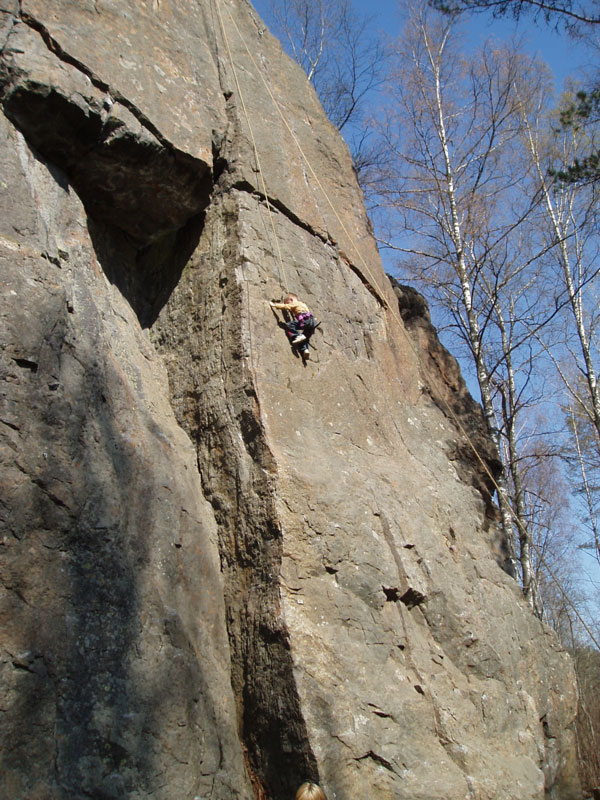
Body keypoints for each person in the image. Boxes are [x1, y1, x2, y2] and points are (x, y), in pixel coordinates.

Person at [269, 293, 316, 358]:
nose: (288, 305)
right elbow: (296, 309)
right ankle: (305, 350)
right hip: (312, 322)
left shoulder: (294, 304)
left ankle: (298, 336)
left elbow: (287, 307)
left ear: (291, 300)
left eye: (287, 303)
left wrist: (275, 305)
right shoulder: (302, 304)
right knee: (305, 337)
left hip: (305, 320)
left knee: (290, 325)